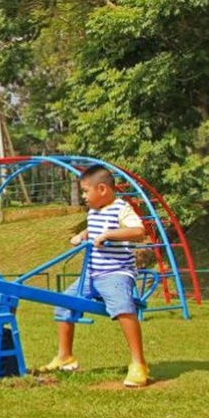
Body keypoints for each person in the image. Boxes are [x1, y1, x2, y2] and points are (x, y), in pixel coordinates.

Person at [37, 164, 150, 387]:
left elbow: (138, 231)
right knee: (63, 304)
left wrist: (110, 234)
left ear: (102, 189)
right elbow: (94, 230)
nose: (83, 196)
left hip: (115, 272)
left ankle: (138, 364)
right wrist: (82, 234)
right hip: (91, 274)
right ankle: (65, 356)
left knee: (123, 308)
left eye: (86, 191)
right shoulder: (93, 212)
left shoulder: (121, 209)